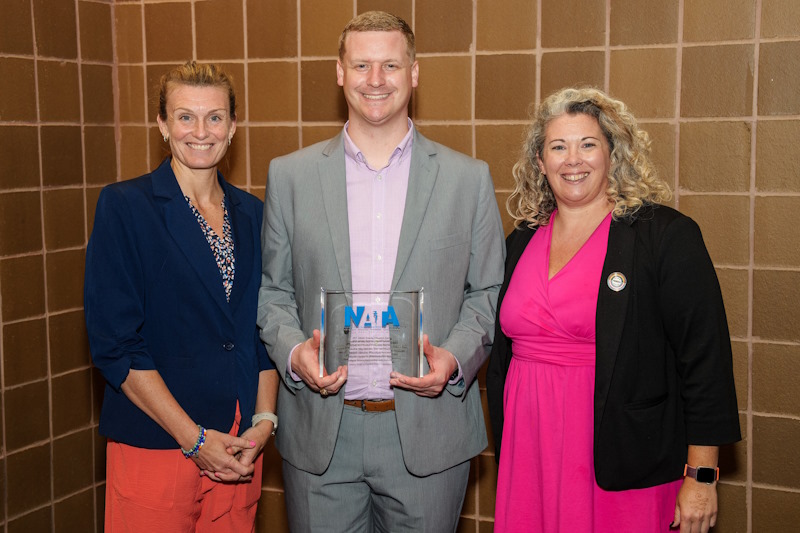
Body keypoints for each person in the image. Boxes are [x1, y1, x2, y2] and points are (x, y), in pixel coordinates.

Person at [257, 11, 505, 533]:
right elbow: (273, 292)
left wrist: (455, 360)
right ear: (340, 72)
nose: (376, 80)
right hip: (322, 431)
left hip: (426, 431)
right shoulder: (291, 176)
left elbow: (486, 294)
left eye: (390, 64)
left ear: (414, 73)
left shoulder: (468, 179)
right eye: (362, 64)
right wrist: (292, 351)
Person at [486, 87, 741, 533]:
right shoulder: (520, 240)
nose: (573, 160)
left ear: (613, 154)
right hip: (528, 449)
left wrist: (701, 475)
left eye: (588, 145)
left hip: (624, 455)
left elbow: (705, 359)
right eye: (558, 147)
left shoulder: (663, 235)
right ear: (540, 162)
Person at [85, 61, 279, 532]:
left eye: (214, 117)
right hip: (158, 442)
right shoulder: (126, 207)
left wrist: (264, 421)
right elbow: (116, 345)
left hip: (238, 445)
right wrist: (193, 440)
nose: (200, 131)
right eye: (185, 116)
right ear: (162, 124)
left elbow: (264, 326)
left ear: (233, 127)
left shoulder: (254, 214)